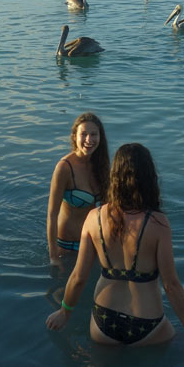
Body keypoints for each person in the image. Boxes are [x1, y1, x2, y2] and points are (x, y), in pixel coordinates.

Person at [46, 143, 184, 349]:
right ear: (149, 177)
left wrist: (64, 312)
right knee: (176, 345)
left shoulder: (93, 218)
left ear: (114, 177)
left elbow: (79, 277)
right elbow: (171, 285)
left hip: (102, 323)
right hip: (147, 325)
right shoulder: (159, 223)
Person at [46, 113, 110, 266]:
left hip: (93, 244)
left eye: (94, 134)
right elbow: (52, 214)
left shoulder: (101, 165)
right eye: (84, 134)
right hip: (66, 247)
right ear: (75, 136)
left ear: (100, 137)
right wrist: (53, 256)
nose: (89, 140)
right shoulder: (64, 168)